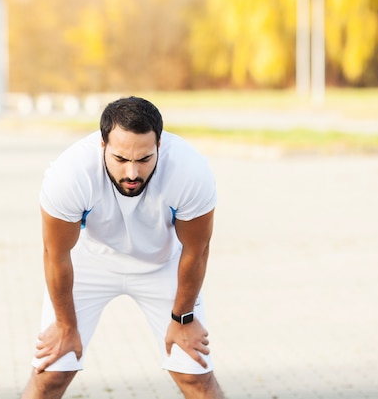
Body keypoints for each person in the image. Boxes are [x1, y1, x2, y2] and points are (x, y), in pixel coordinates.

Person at [21, 96, 225, 399]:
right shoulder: (70, 175)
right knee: (52, 371)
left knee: (194, 375)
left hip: (162, 264)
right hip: (90, 262)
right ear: (102, 145)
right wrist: (65, 324)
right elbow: (56, 255)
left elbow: (196, 251)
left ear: (159, 146)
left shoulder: (190, 171)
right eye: (121, 159)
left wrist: (183, 319)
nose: (132, 173)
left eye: (144, 160)